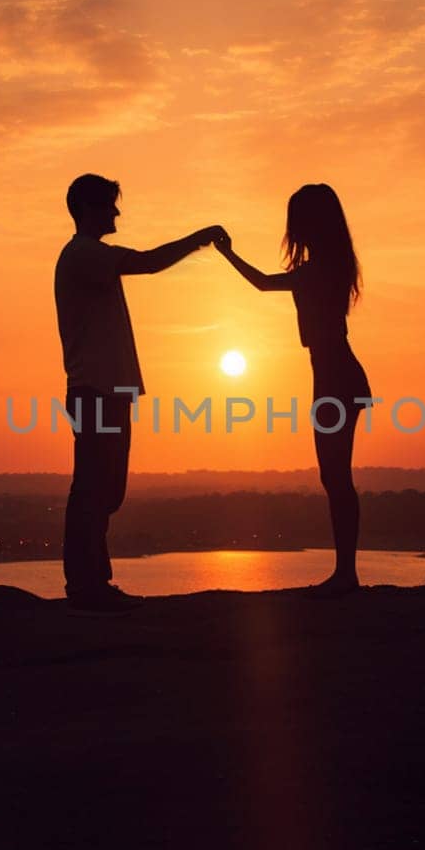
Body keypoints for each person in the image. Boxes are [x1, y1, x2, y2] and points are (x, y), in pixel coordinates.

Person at [54, 174, 224, 615]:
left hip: (108, 391)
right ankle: (86, 585)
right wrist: (200, 239)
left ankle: (93, 581)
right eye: (110, 206)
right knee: (94, 487)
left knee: (107, 490)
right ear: (89, 209)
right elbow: (147, 263)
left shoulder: (87, 256)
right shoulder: (84, 255)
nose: (117, 213)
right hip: (95, 392)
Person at [216, 184, 370, 597]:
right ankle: (345, 572)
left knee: (336, 477)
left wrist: (227, 253)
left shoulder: (320, 269)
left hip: (336, 377)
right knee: (335, 476)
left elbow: (265, 284)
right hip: (335, 375)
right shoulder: (331, 264)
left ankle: (346, 574)